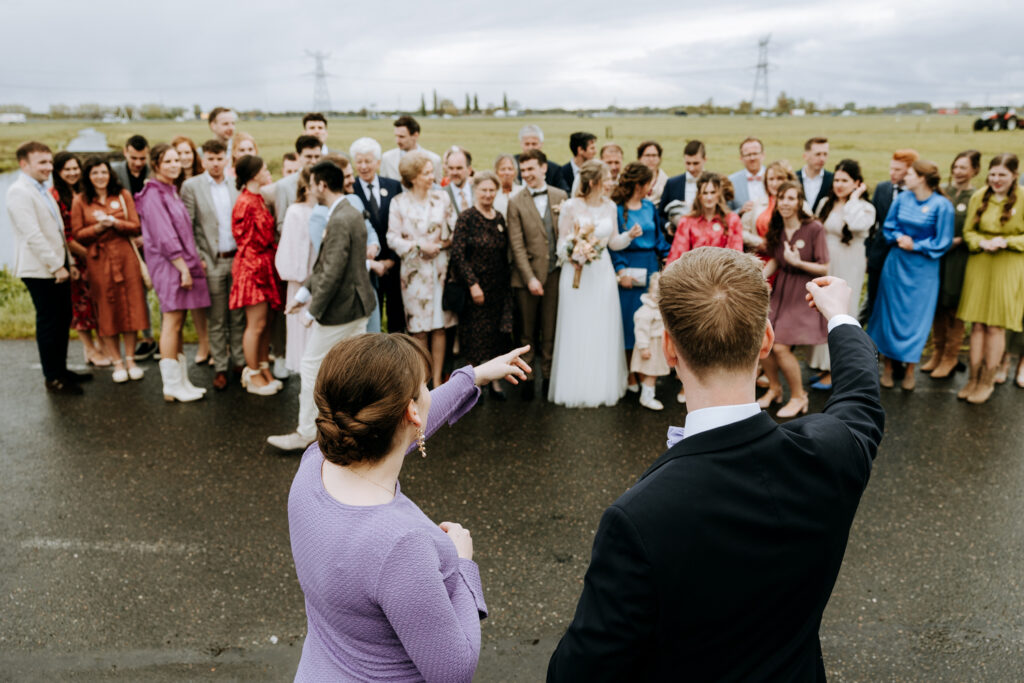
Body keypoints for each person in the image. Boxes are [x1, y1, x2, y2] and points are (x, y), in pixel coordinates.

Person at [547, 248, 885, 681]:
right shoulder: (832, 453)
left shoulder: (637, 519)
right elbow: (860, 398)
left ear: (669, 349)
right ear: (765, 340)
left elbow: (578, 673)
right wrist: (839, 315)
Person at [287, 333, 529, 681]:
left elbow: (394, 430)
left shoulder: (314, 464)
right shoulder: (401, 545)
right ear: (412, 411)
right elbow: (454, 671)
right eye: (425, 387)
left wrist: (473, 377)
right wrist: (462, 564)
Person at [267, 160, 379, 452]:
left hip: (343, 309)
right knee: (351, 371)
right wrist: (303, 294)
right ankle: (354, 428)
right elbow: (325, 264)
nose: (309, 187)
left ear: (322, 185)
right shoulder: (345, 211)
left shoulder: (341, 218)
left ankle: (306, 433)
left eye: (312, 183)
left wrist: (312, 311)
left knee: (311, 366)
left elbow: (333, 271)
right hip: (358, 304)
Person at [549, 160, 637, 407]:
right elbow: (560, 245)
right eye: (607, 178)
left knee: (601, 326)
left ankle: (602, 385)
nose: (611, 182)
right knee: (577, 327)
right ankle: (574, 386)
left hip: (602, 273)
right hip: (576, 274)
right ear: (593, 182)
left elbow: (613, 242)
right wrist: (575, 253)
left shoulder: (610, 206)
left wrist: (628, 236)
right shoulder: (570, 206)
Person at [7, 141, 88, 394]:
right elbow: (33, 235)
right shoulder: (19, 192)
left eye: (50, 162)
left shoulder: (44, 189)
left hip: (58, 265)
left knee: (63, 318)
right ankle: (52, 377)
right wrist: (56, 267)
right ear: (24, 164)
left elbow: (58, 231)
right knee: (49, 323)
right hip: (40, 270)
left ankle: (61, 369)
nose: (48, 167)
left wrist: (70, 263)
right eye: (41, 162)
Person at [867, 160, 954, 391]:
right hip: (896, 264)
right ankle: (887, 366)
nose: (906, 176)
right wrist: (898, 238)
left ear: (922, 178)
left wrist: (916, 244)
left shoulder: (942, 206)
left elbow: (943, 241)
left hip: (923, 269)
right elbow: (888, 226)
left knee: (916, 319)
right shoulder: (903, 198)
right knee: (889, 313)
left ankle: (910, 369)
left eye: (911, 173)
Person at [134, 144, 211, 402]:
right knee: (172, 321)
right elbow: (164, 235)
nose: (174, 164)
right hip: (169, 266)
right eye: (168, 161)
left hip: (181, 263)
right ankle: (170, 385)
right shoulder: (153, 194)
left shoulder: (171, 190)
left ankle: (182, 381)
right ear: (156, 164)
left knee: (178, 324)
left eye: (177, 159)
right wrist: (182, 269)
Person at [71, 156, 148, 383]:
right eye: (94, 173)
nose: (100, 177)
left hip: (125, 256)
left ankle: (131, 359)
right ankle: (117, 361)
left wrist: (115, 224)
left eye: (103, 172)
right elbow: (78, 234)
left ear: (109, 173)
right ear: (88, 176)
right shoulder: (80, 200)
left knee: (131, 307)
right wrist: (98, 227)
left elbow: (135, 225)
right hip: (100, 259)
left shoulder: (122, 195)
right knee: (108, 310)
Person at [955, 153, 1024, 403]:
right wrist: (981, 241)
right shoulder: (978, 196)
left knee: (995, 326)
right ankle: (973, 378)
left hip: (1008, 264)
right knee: (978, 325)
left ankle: (987, 381)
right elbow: (968, 232)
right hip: (980, 262)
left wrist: (1006, 240)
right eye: (993, 174)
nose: (996, 179)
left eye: (1002, 175)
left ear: (1014, 175)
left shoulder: (1023, 198)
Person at [387, 151, 457, 388]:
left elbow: (454, 231)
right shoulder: (399, 203)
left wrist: (438, 245)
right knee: (418, 331)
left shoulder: (442, 199)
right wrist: (418, 246)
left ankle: (438, 381)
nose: (432, 177)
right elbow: (392, 238)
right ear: (414, 177)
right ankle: (421, 382)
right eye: (427, 173)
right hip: (415, 274)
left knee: (439, 327)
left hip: (439, 270)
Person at [760, 182, 830, 417]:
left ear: (800, 202)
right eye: (782, 198)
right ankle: (775, 389)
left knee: (780, 347)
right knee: (763, 342)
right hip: (781, 291)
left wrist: (798, 263)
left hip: (803, 292)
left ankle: (800, 397)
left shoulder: (814, 228)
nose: (786, 203)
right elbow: (777, 260)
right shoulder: (778, 227)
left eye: (791, 198)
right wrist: (760, 276)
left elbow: (824, 267)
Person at [181, 139, 245, 391]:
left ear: (226, 159)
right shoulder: (191, 186)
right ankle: (220, 366)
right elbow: (188, 227)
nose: (216, 163)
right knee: (217, 318)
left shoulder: (235, 184)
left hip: (237, 259)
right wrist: (199, 258)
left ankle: (239, 362)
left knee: (238, 316)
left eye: (220, 159)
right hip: (212, 260)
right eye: (211, 158)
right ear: (203, 159)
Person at [806, 159, 875, 390]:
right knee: (822, 310)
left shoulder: (865, 208)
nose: (839, 184)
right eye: (836, 179)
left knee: (842, 310)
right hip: (826, 262)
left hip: (849, 262)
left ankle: (837, 370)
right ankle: (822, 365)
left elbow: (855, 225)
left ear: (857, 183)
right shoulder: (826, 202)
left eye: (845, 180)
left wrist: (854, 199)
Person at [507, 149, 569, 400]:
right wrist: (530, 277)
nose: (527, 174)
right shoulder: (515, 201)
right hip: (526, 278)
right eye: (524, 170)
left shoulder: (560, 196)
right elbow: (516, 244)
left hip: (555, 274)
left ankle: (548, 379)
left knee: (551, 329)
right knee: (527, 332)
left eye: (531, 169)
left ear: (544, 168)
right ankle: (527, 379)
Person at [449, 171, 514, 399]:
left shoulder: (498, 218)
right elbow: (457, 254)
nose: (488, 194)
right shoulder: (466, 217)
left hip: (498, 289)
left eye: (491, 190)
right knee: (474, 341)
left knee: (497, 339)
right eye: (483, 190)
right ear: (475, 191)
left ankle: (494, 384)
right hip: (475, 290)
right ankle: (470, 387)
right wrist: (473, 284)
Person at [610, 162, 670, 393]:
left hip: (650, 267)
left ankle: (647, 375)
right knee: (628, 324)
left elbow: (658, 240)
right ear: (639, 184)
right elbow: (614, 245)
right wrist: (621, 270)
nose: (651, 188)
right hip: (629, 270)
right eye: (648, 183)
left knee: (650, 321)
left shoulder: (648, 207)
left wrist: (668, 256)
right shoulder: (616, 209)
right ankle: (630, 374)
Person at [923, 150, 981, 379]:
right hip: (938, 258)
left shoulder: (975, 197)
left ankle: (950, 357)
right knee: (937, 305)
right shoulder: (943, 192)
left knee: (954, 309)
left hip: (959, 259)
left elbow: (974, 229)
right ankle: (937, 353)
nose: (958, 172)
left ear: (974, 171)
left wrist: (953, 241)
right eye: (955, 167)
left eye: (963, 168)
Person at [230, 154, 283, 396]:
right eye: (263, 168)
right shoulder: (245, 203)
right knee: (256, 324)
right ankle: (251, 373)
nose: (267, 171)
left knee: (266, 324)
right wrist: (258, 268)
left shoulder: (258, 198)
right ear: (253, 174)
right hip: (253, 269)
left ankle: (263, 367)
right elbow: (244, 240)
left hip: (264, 264)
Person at [52, 151, 105, 367]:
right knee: (80, 305)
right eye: (68, 169)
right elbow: (63, 234)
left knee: (96, 302)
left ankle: (101, 346)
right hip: (74, 257)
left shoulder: (84, 192)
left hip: (92, 254)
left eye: (76, 168)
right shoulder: (54, 196)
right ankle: (90, 349)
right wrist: (86, 255)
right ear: (58, 172)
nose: (73, 173)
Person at [350, 136, 405, 332]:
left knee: (397, 313)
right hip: (366, 264)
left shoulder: (393, 186)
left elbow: (400, 223)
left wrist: (390, 260)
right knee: (372, 316)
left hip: (393, 261)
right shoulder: (350, 189)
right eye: (359, 161)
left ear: (378, 162)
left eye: (368, 161)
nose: (363, 166)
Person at [111, 134, 158, 360]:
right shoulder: (113, 172)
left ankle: (168, 338)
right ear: (124, 152)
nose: (138, 163)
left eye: (142, 158)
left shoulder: (155, 171)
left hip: (154, 238)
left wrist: (146, 236)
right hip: (128, 240)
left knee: (163, 288)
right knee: (137, 290)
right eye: (133, 158)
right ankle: (147, 338)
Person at [861, 148, 920, 325]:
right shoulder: (882, 188)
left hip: (904, 257)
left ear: (910, 170)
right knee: (873, 301)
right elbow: (872, 225)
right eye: (891, 168)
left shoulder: (916, 194)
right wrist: (867, 254)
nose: (892, 173)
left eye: (897, 170)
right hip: (879, 256)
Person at [275, 167, 317, 374]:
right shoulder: (295, 211)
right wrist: (303, 281)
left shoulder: (325, 209)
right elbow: (291, 249)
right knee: (303, 334)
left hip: (320, 278)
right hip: (301, 279)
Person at [666, 172, 743, 263]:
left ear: (719, 194)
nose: (709, 197)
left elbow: (736, 254)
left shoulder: (732, 220)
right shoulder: (687, 221)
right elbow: (677, 254)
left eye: (713, 192)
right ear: (699, 195)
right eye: (705, 193)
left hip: (723, 272)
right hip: (693, 272)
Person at [630, 272, 670, 411]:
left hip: (658, 345)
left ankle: (647, 394)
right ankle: (646, 397)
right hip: (651, 346)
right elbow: (641, 331)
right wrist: (643, 348)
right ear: (649, 291)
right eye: (655, 291)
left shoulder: (661, 308)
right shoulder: (645, 311)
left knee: (653, 372)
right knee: (651, 373)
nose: (657, 295)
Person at [744, 160, 797, 251]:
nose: (774, 184)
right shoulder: (757, 203)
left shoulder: (800, 203)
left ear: (788, 180)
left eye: (780, 178)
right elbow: (741, 231)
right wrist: (758, 242)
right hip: (760, 256)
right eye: (771, 179)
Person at [659, 139, 707, 227]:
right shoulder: (672, 183)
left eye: (695, 163)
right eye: (688, 163)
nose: (691, 168)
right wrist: (668, 225)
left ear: (705, 160)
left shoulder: (714, 182)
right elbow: (660, 214)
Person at [380, 115, 442, 182]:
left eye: (402, 137)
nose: (397, 141)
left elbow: (437, 187)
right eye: (396, 136)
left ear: (415, 135)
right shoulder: (386, 158)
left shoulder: (434, 159)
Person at [514, 124, 567, 191]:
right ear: (521, 144)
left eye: (534, 144)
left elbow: (565, 193)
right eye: (527, 144)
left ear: (541, 144)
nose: (530, 148)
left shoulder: (554, 169)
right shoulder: (512, 165)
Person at [727, 137, 767, 219]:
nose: (752, 158)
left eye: (755, 154)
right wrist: (739, 211)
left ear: (763, 155)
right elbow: (724, 212)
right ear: (741, 158)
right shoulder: (731, 181)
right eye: (748, 155)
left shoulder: (775, 177)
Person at [797, 137, 833, 210]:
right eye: (818, 154)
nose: (822, 159)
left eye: (825, 154)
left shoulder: (833, 179)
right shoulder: (793, 178)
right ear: (805, 156)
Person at [444, 146, 474, 216]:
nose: (454, 173)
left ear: (469, 170)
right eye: (451, 168)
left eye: (459, 168)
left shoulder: (478, 191)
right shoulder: (442, 194)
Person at [637, 140, 669, 205]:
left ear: (660, 158)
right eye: (647, 155)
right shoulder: (633, 179)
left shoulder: (666, 181)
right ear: (639, 158)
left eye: (654, 155)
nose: (651, 159)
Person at [492, 153, 523, 219]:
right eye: (503, 169)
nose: (507, 173)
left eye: (510, 169)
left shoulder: (522, 192)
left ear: (515, 172)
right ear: (496, 172)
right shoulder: (492, 193)